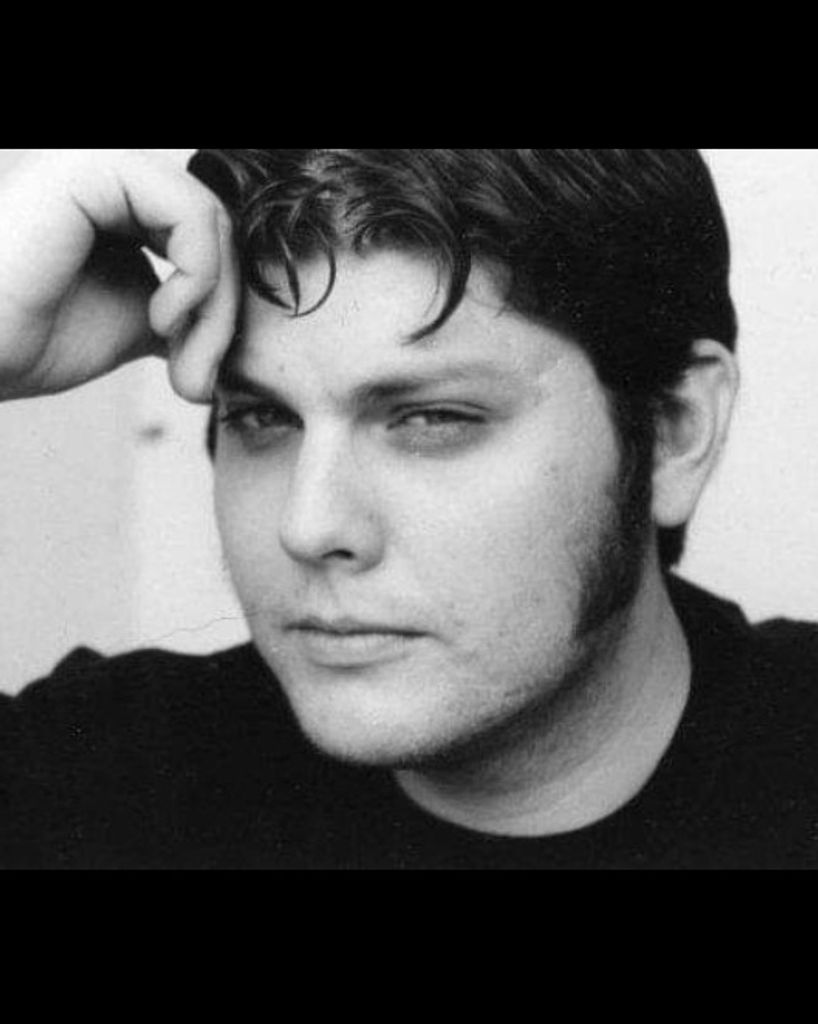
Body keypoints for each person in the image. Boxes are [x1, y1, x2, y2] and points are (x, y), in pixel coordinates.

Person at [0, 148, 815, 870]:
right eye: (263, 417)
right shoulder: (107, 777)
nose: (309, 527)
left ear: (675, 430)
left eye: (432, 419)